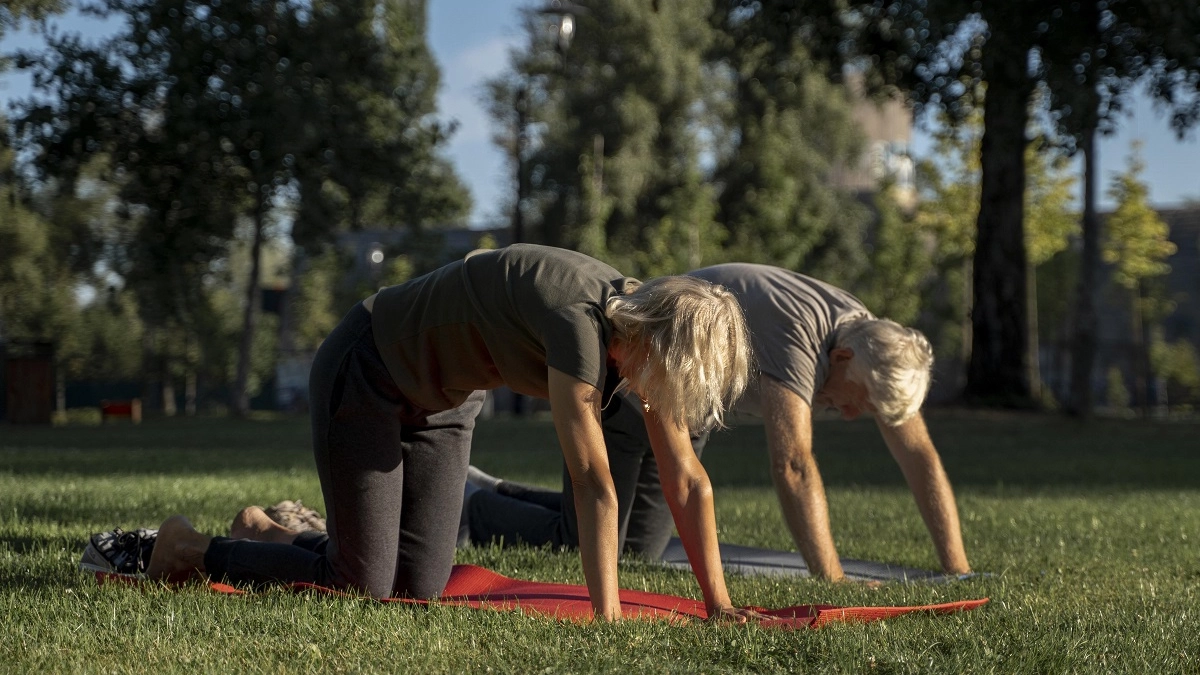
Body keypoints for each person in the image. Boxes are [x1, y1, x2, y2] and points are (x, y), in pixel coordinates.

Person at [141, 244, 760, 622]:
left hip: (444, 406)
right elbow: (593, 485)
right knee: (359, 586)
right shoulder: (583, 329)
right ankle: (188, 548)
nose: (666, 400)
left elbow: (687, 479)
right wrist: (609, 619)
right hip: (367, 371)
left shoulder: (642, 329)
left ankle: (269, 532)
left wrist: (720, 605)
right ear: (653, 340)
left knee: (417, 588)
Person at [463, 263, 972, 581]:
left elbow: (919, 453)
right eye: (859, 401)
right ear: (839, 359)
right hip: (643, 373)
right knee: (588, 542)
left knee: (639, 549)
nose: (855, 415)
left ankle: (500, 490)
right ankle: (477, 507)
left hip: (694, 403)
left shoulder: (873, 341)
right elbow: (793, 464)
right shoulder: (799, 340)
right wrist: (832, 581)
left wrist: (957, 569)